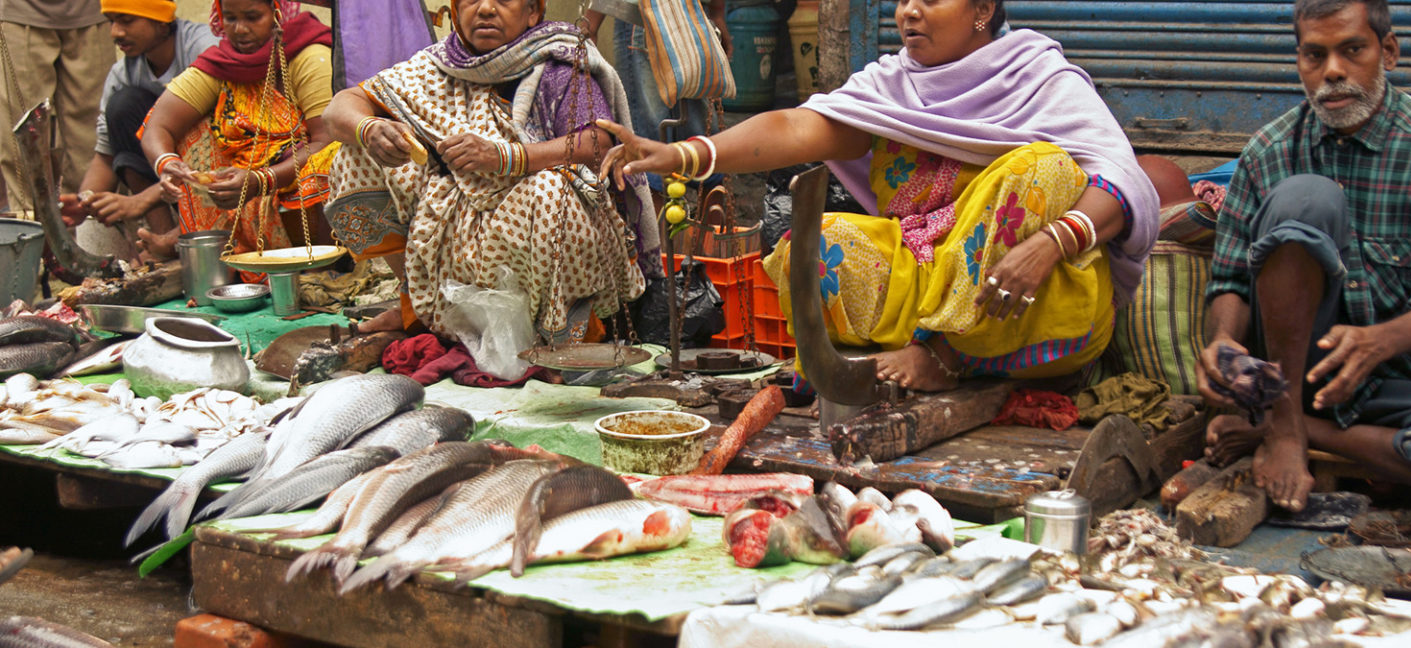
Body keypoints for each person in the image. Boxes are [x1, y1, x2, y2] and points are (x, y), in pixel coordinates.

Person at [600, 0, 1158, 391]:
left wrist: (1054, 242)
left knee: (1039, 168)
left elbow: (1122, 180)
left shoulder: (1039, 77)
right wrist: (681, 154)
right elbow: (797, 127)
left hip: (1035, 300)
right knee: (814, 244)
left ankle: (946, 355)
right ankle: (897, 350)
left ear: (983, 9)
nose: (908, 11)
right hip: (924, 288)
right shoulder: (893, 85)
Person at [1199, 0, 1411, 511]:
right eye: (1315, 55)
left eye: (1352, 50)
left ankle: (1298, 431)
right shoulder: (1269, 150)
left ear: (1389, 51)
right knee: (1306, 197)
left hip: (1400, 381)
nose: (1332, 72)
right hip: (1289, 379)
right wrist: (1223, 343)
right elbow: (1231, 283)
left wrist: (1379, 341)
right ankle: (1284, 426)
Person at [322, 0, 654, 344]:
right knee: (355, 154)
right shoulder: (435, 66)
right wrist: (369, 128)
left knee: (550, 191)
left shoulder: (558, 62)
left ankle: (562, 332)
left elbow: (596, 143)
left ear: (533, 13)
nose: (485, 9)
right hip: (450, 222)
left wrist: (505, 157)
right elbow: (338, 110)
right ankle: (415, 304)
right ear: (454, 10)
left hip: (535, 220)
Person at [139, 0, 336, 268]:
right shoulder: (226, 62)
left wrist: (261, 179)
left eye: (253, 17)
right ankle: (219, 255)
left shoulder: (310, 55)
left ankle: (328, 264)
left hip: (296, 170)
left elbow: (326, 142)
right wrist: (167, 164)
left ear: (279, 15)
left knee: (328, 163)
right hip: (245, 175)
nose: (240, 29)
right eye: (229, 18)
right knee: (191, 136)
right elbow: (158, 125)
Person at [57, 0, 219, 260]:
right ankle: (162, 239)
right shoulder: (123, 73)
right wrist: (85, 203)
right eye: (111, 22)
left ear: (161, 22)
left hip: (220, 172)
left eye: (127, 21)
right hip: (169, 178)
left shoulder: (204, 49)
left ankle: (182, 237)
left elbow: (225, 145)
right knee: (123, 106)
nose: (115, 33)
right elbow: (106, 155)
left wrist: (140, 200)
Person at [582, 0, 729, 207]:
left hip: (642, 17)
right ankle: (712, 235)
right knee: (702, 140)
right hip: (694, 16)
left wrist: (591, 20)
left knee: (646, 146)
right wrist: (716, 12)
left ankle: (657, 238)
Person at [0, 0, 111, 213]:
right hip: (19, 13)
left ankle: (93, 230)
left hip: (92, 13)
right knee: (23, 139)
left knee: (93, 140)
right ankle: (30, 236)